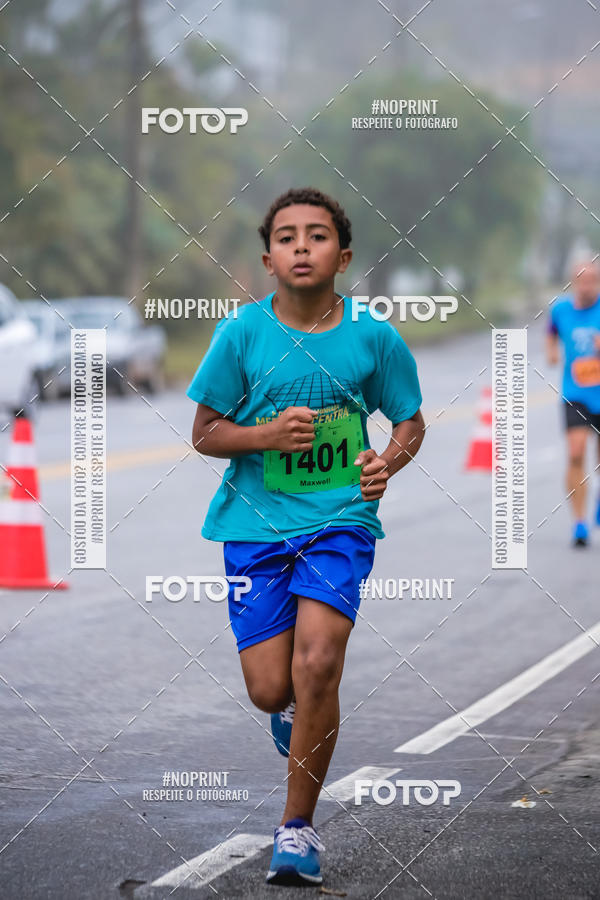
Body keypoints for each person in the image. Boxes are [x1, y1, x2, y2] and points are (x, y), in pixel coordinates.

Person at [187, 187, 425, 886]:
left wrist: (385, 465)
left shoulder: (372, 337)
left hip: (339, 520)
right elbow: (204, 432)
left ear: (342, 257)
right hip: (255, 527)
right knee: (271, 688)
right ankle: (290, 705)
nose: (301, 246)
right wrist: (264, 434)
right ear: (268, 260)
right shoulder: (241, 334)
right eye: (286, 237)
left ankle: (296, 829)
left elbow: (409, 422)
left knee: (318, 661)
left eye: (317, 236)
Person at [546, 258, 600, 546]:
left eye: (592, 280)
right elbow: (551, 333)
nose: (586, 286)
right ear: (573, 282)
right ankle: (579, 522)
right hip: (575, 393)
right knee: (576, 451)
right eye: (581, 280)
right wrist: (552, 352)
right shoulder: (561, 309)